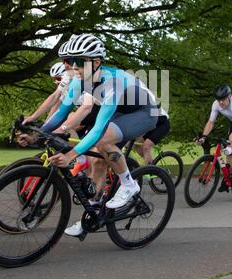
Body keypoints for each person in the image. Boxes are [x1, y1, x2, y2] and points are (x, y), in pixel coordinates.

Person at [22, 34, 159, 236]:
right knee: (97, 162)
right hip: (121, 112)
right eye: (69, 61)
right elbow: (61, 113)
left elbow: (99, 127)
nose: (73, 67)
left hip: (145, 112)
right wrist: (38, 134)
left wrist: (71, 155)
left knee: (103, 142)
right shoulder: (79, 81)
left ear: (96, 62)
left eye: (79, 62)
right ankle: (94, 213)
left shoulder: (114, 81)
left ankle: (129, 185)